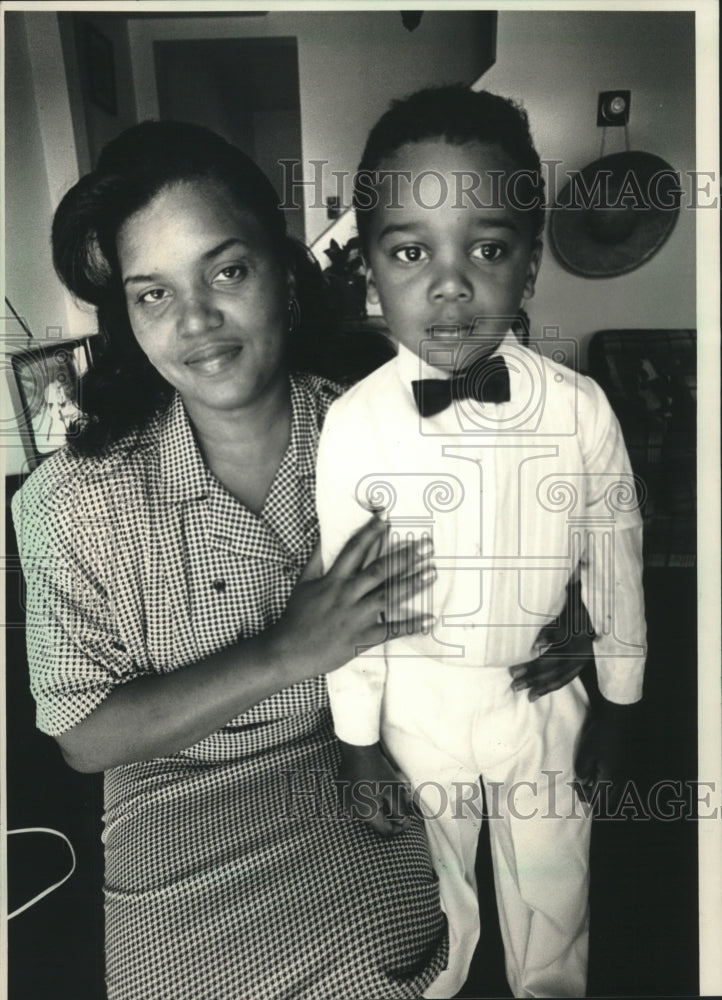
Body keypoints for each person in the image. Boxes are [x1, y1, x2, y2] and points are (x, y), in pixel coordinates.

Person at [12, 120, 449, 1000]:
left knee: (379, 967)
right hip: (169, 799)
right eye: (153, 295)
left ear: (284, 275)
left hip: (370, 759)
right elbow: (84, 739)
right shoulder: (68, 505)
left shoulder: (391, 438)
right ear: (127, 319)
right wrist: (288, 651)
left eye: (227, 271)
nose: (197, 321)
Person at [316, 85, 647, 999]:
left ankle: (550, 985)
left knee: (554, 873)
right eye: (411, 251)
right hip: (412, 704)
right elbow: (347, 597)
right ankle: (445, 981)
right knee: (436, 881)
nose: (450, 283)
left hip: (539, 695)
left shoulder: (580, 407)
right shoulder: (352, 425)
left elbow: (613, 555)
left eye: (488, 249)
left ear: (530, 267)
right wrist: (354, 738)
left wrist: (619, 696)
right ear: (370, 272)